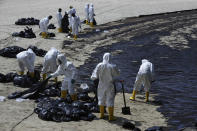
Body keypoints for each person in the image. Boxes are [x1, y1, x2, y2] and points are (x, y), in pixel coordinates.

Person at [91, 53, 120, 121]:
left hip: (101, 84)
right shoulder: (112, 66)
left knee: (101, 98)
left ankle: (102, 115)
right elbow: (117, 74)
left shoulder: (99, 65)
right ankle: (111, 116)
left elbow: (94, 76)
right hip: (110, 85)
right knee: (110, 99)